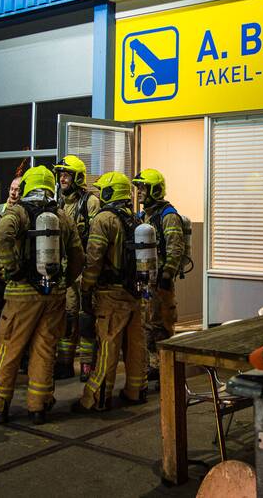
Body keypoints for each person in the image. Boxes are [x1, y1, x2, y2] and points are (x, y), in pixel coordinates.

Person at [0, 166, 84, 425]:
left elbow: (1, 236)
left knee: (9, 348)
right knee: (45, 349)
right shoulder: (62, 216)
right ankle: (38, 406)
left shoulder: (17, 212)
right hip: (54, 295)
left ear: (27, 186)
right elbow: (78, 255)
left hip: (22, 295)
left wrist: (12, 269)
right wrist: (64, 281)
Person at [72, 172, 148, 413]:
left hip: (111, 295)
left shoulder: (104, 219)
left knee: (108, 346)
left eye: (102, 190)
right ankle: (136, 390)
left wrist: (86, 288)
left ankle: (96, 399)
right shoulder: (135, 219)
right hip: (134, 293)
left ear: (109, 192)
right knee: (135, 346)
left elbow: (94, 258)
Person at [132, 169, 185, 384]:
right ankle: (153, 364)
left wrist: (167, 274)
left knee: (161, 325)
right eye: (138, 188)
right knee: (146, 323)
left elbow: (175, 247)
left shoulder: (168, 216)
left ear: (155, 190)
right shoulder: (141, 216)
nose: (139, 192)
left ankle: (165, 368)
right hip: (145, 279)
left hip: (161, 282)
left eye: (143, 188)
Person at [52, 155, 101, 381]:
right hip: (67, 270)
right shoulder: (59, 204)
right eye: (60, 175)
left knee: (87, 318)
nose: (62, 179)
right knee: (68, 317)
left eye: (66, 175)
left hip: (86, 270)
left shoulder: (90, 202)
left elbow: (96, 239)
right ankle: (64, 363)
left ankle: (87, 365)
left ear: (78, 178)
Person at [0, 163, 26, 362]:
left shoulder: (25, 214)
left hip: (17, 277)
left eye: (17, 190)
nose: (14, 193)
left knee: (18, 322)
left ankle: (19, 359)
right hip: (0, 277)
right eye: (12, 189)